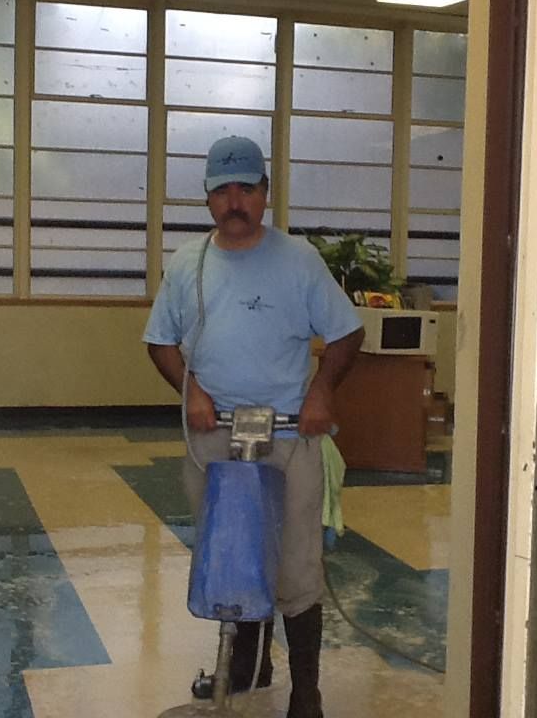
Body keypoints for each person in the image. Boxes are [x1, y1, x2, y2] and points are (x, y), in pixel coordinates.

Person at [142, 135, 364, 718]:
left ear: (265, 194)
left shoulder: (298, 262)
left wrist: (320, 391)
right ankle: (245, 664)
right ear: (208, 198)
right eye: (223, 190)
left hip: (289, 436)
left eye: (247, 188)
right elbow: (159, 341)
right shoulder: (189, 264)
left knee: (295, 563)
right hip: (213, 436)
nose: (235, 200)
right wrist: (192, 391)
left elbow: (347, 333)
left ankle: (307, 690)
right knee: (230, 551)